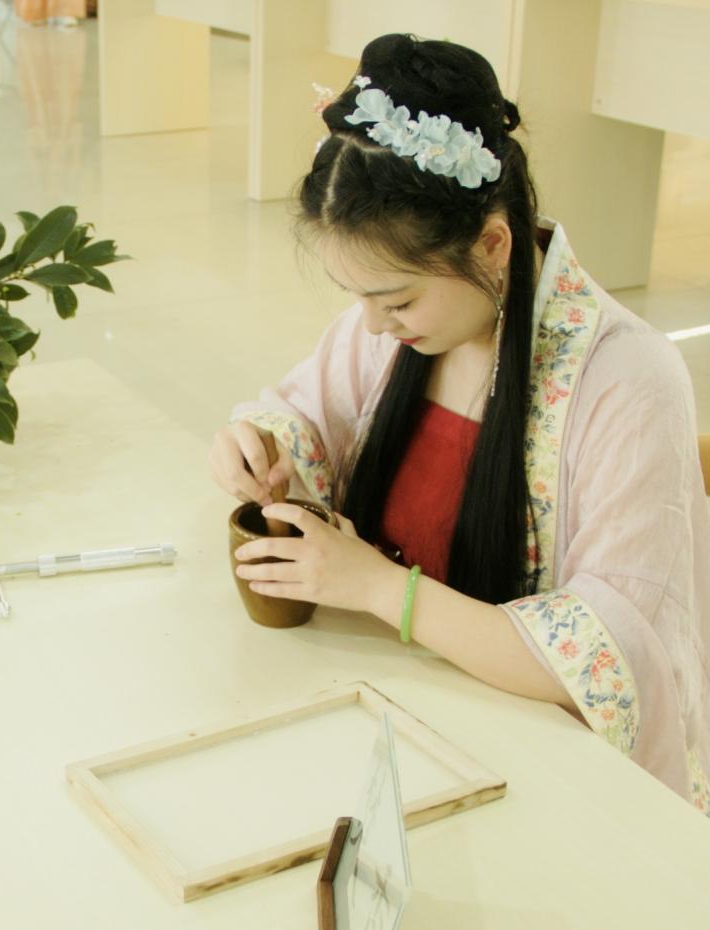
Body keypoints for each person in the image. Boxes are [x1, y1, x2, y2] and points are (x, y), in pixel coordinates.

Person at [210, 33, 710, 812]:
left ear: (493, 243)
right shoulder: (393, 331)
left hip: (542, 773)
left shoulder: (629, 381)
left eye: (397, 299)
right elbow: (305, 411)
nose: (372, 325)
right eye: (358, 298)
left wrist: (381, 589)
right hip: (395, 720)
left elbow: (608, 657)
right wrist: (263, 444)